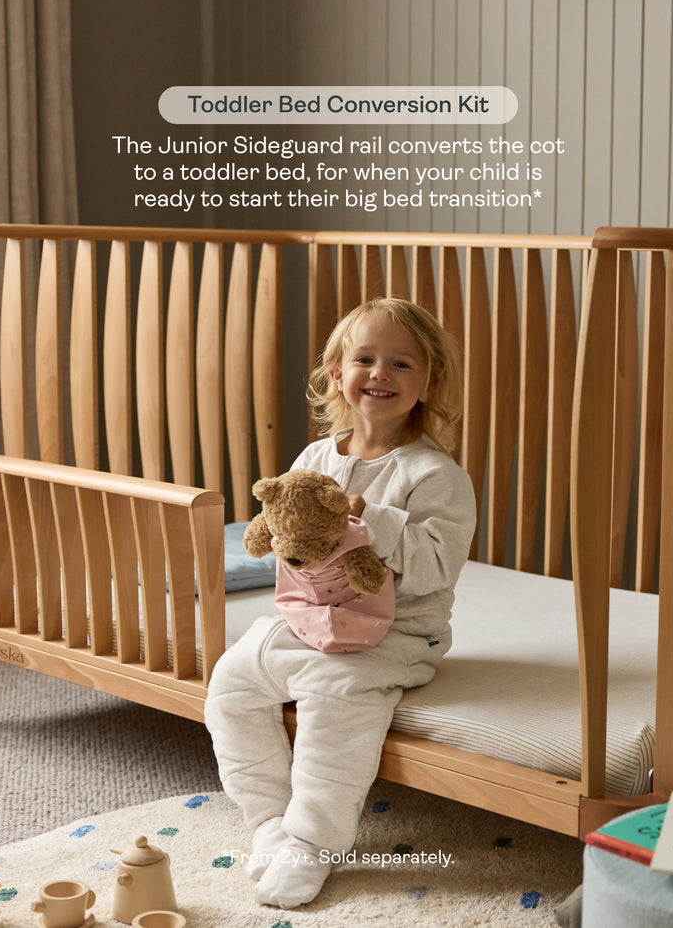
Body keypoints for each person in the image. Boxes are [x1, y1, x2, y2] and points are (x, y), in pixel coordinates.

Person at [204, 297, 476, 909]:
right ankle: (271, 823)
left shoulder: (435, 475)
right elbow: (291, 534)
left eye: (402, 364)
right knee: (230, 681)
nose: (381, 374)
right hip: (309, 619)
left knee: (336, 702)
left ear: (428, 382)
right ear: (337, 372)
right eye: (365, 359)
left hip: (399, 632)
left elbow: (435, 567)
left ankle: (313, 843)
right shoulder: (316, 458)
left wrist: (370, 518)